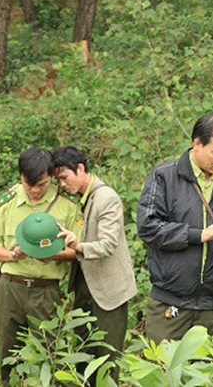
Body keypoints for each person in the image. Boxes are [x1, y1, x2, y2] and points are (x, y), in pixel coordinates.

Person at [136, 112, 213, 351]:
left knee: (211, 374)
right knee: (164, 374)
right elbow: (148, 228)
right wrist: (198, 235)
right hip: (171, 300)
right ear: (197, 143)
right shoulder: (165, 177)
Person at [0, 147, 79, 385]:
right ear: (20, 177)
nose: (35, 191)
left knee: (51, 354)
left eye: (42, 185)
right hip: (10, 289)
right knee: (8, 353)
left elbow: (77, 249)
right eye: (28, 184)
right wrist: (13, 255)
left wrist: (54, 255)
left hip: (46, 291)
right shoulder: (6, 203)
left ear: (52, 177)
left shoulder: (66, 204)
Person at [54, 146, 137, 385]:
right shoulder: (83, 197)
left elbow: (107, 245)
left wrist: (77, 245)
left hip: (109, 292)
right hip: (86, 286)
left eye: (64, 178)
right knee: (83, 352)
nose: (61, 184)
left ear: (80, 169)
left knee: (107, 359)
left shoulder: (106, 197)